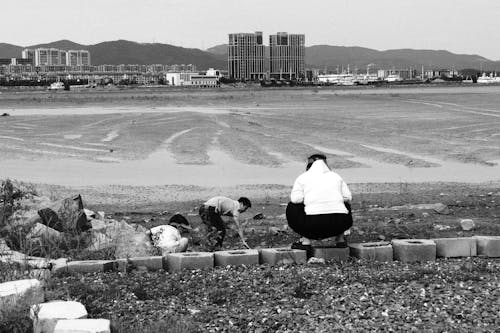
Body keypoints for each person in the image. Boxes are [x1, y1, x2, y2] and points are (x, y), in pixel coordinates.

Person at [287, 154, 353, 254]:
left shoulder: (302, 178)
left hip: (312, 226)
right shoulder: (336, 176)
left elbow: (296, 199)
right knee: (345, 205)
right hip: (339, 224)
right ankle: (340, 239)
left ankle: (305, 241)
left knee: (292, 206)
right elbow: (348, 197)